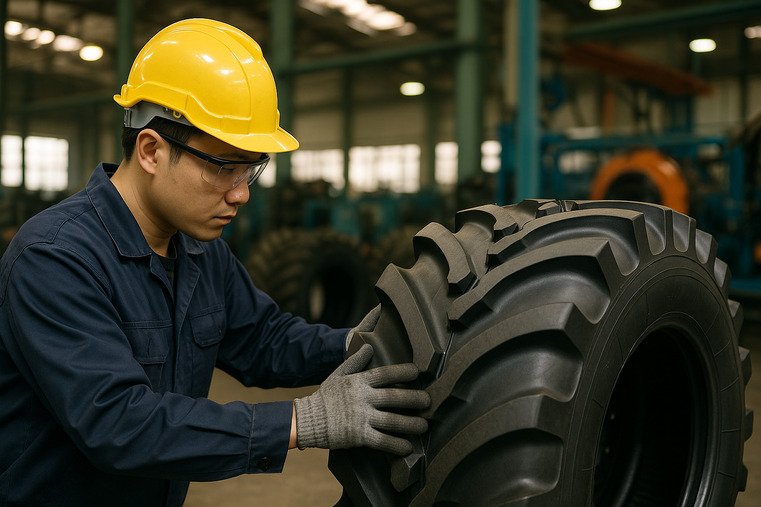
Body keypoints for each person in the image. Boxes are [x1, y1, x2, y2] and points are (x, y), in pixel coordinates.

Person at [0, 18, 430, 506]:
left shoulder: (202, 251)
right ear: (151, 150)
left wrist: (362, 341)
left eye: (251, 169)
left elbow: (264, 341)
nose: (242, 193)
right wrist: (301, 421)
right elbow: (119, 423)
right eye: (224, 168)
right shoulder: (55, 258)